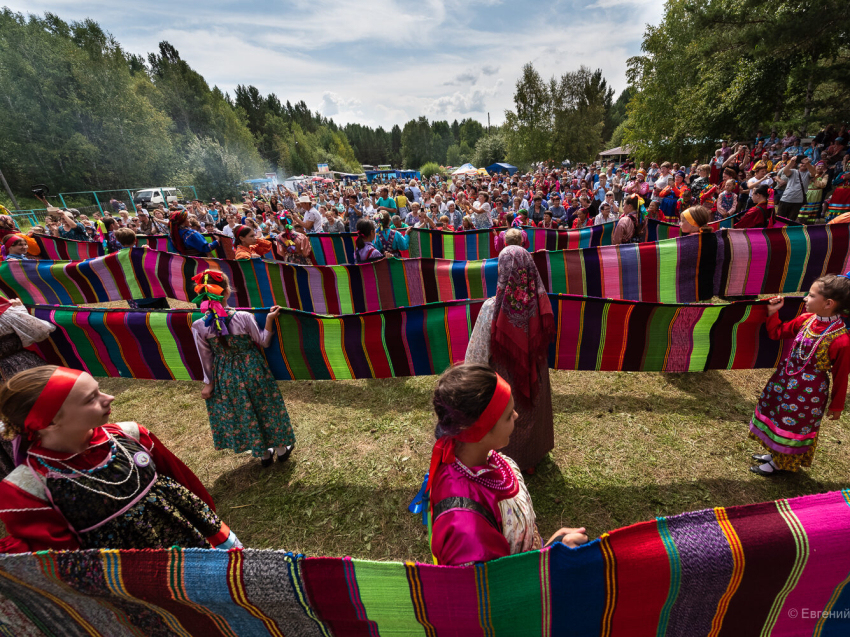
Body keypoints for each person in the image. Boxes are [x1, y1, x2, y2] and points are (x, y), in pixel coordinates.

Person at [0, 366, 241, 552]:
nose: (109, 397)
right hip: (134, 573)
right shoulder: (27, 488)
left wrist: (209, 516)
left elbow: (184, 482)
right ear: (51, 422)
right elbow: (61, 561)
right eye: (91, 398)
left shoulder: (130, 434)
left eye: (99, 389)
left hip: (196, 537)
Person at [424, 363, 587, 566]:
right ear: (480, 431)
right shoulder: (467, 529)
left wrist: (553, 544)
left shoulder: (478, 457)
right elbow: (499, 590)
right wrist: (552, 559)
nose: (516, 416)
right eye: (509, 415)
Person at [465, 246, 555, 473]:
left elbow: (476, 354)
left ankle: (504, 459)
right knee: (532, 410)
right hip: (535, 373)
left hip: (503, 378)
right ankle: (531, 457)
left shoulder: (491, 308)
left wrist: (470, 378)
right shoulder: (541, 305)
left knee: (505, 413)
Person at [191, 271, 295, 467]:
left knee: (245, 411)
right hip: (253, 369)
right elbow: (264, 342)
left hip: (226, 376)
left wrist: (209, 384)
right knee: (267, 407)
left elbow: (205, 358)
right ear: (228, 291)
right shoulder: (244, 317)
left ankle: (264, 455)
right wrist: (270, 319)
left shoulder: (199, 326)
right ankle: (281, 450)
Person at [748, 276, 850, 476]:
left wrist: (836, 405)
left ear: (828, 304)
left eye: (811, 295)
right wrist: (772, 313)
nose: (805, 299)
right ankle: (775, 454)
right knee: (777, 416)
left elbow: (841, 375)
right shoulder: (807, 320)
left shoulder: (841, 341)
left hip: (808, 393)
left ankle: (780, 463)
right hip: (785, 380)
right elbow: (778, 333)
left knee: (792, 423)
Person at [777, 155, 816, 221]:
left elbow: (813, 173)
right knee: (779, 219)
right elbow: (785, 171)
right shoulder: (793, 171)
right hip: (786, 198)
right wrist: (791, 162)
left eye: (804, 163)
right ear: (798, 164)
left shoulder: (808, 173)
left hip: (797, 201)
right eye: (801, 163)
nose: (803, 164)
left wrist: (807, 163)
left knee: (791, 220)